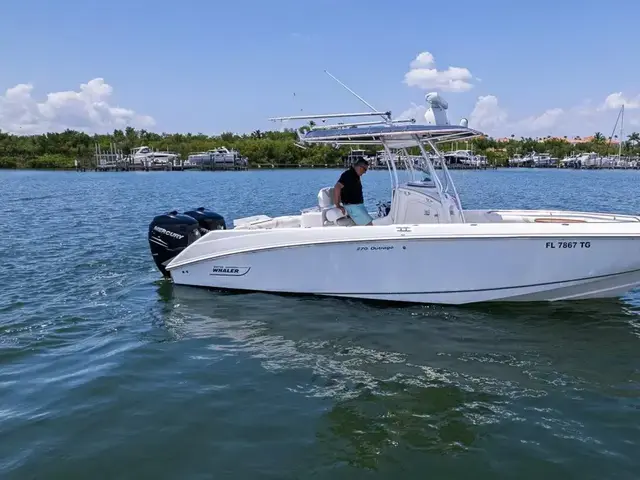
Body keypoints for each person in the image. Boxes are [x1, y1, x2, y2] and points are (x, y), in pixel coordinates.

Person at [333, 158, 373, 226]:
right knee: (369, 226)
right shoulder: (348, 175)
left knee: (371, 224)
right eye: (365, 169)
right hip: (353, 207)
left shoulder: (355, 175)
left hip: (358, 206)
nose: (365, 172)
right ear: (360, 167)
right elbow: (337, 187)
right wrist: (337, 205)